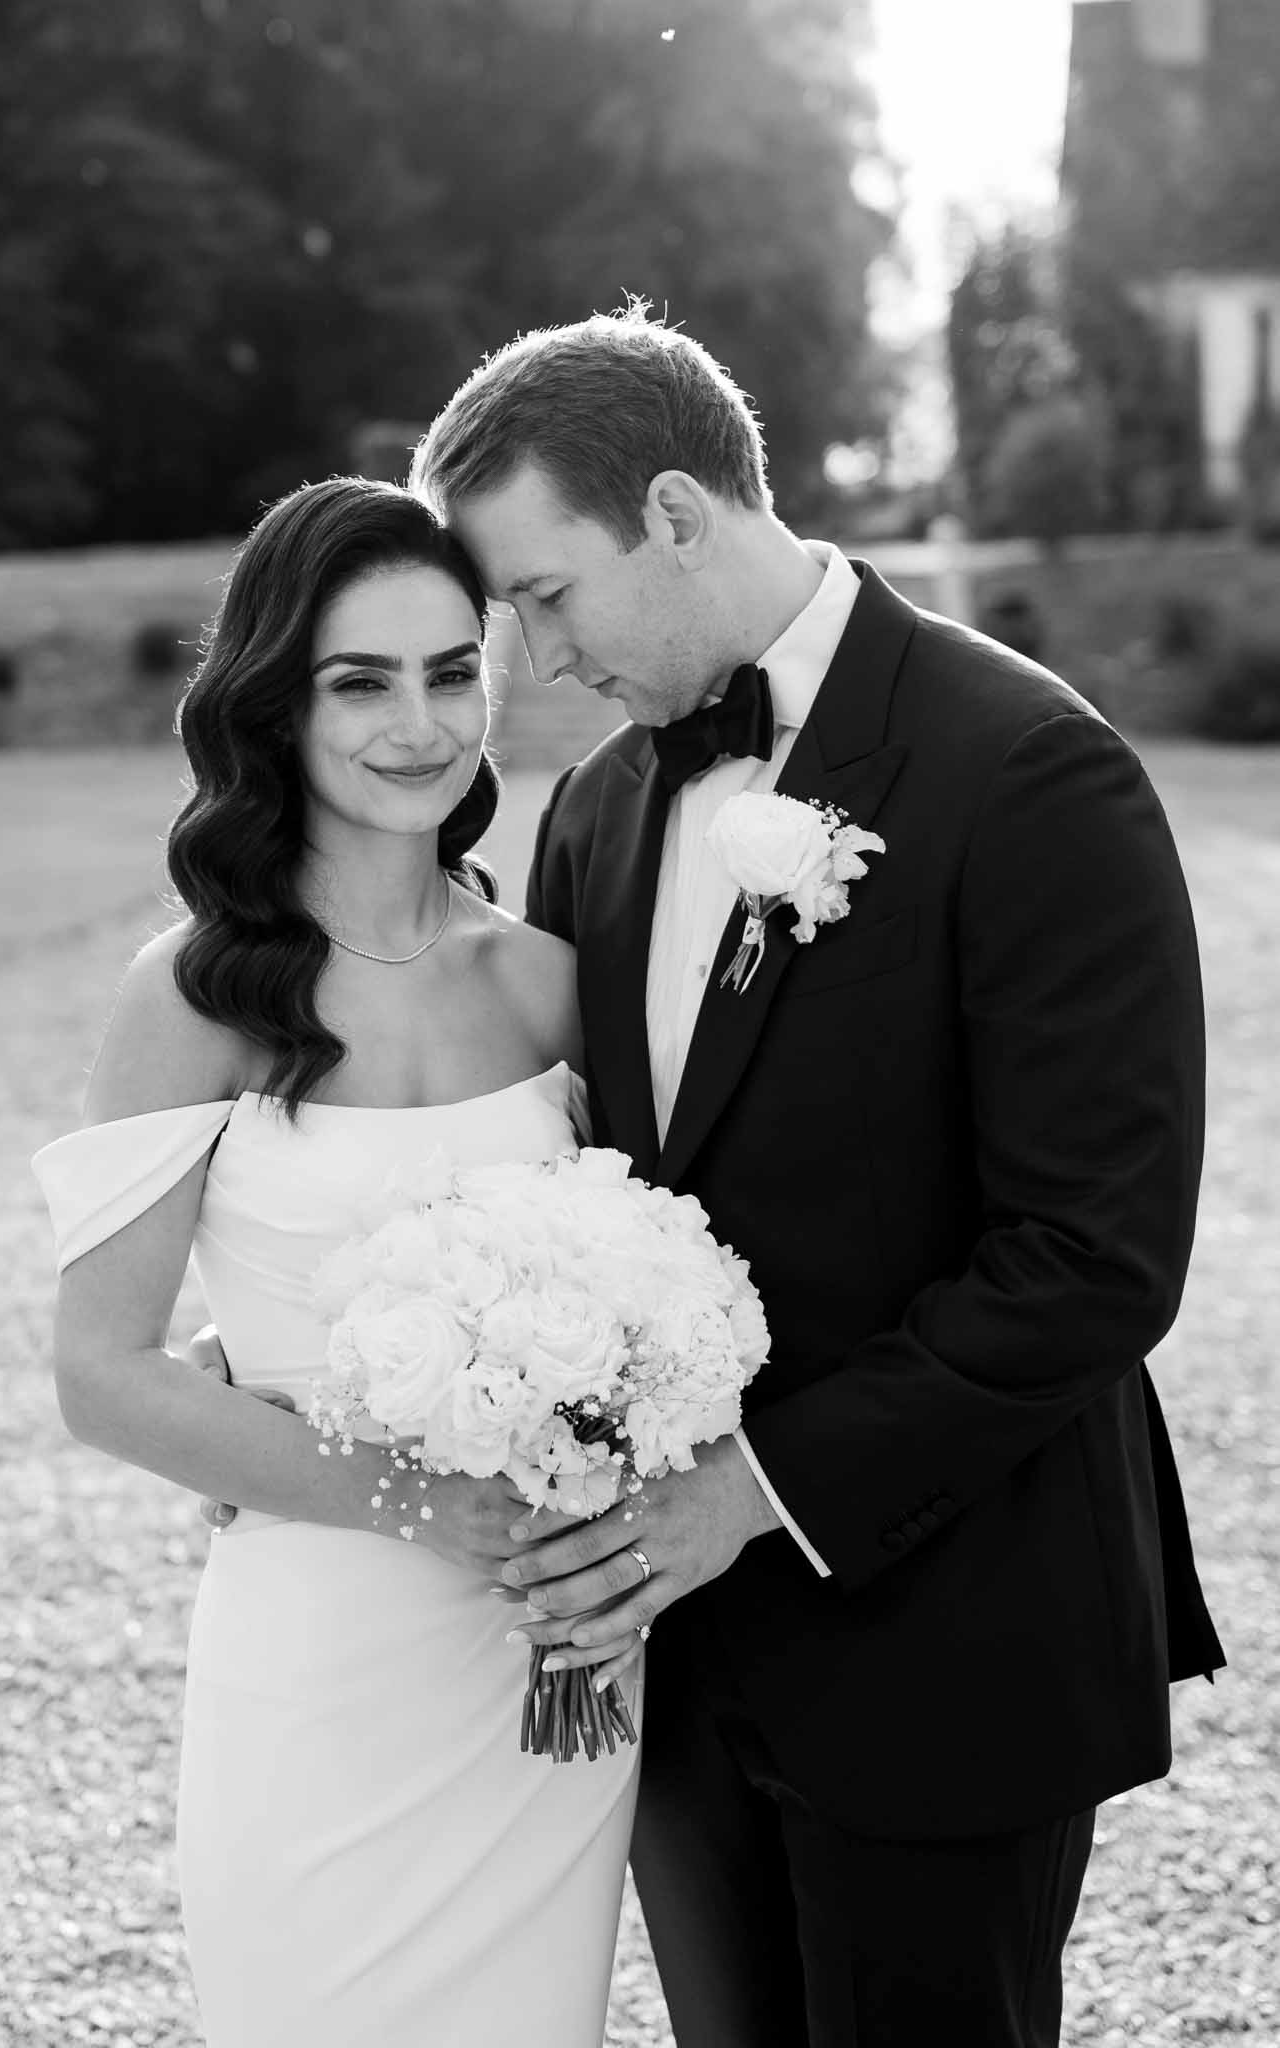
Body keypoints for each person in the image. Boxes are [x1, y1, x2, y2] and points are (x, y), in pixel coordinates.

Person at [409, 306, 1226, 2048]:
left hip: (948, 1637)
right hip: (686, 1676)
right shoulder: (599, 810)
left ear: (681, 516)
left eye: (545, 595)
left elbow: (1092, 1253)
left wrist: (747, 1492)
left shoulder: (1030, 771)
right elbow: (570, 1180)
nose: (531, 665)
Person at [31, 479, 642, 2048]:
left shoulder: (551, 982)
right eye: (359, 681)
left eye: (451, 671)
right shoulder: (192, 994)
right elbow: (102, 1373)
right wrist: (416, 1496)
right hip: (323, 1644)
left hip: (544, 1654)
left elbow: (658, 1268)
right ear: (272, 703)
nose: (419, 723)